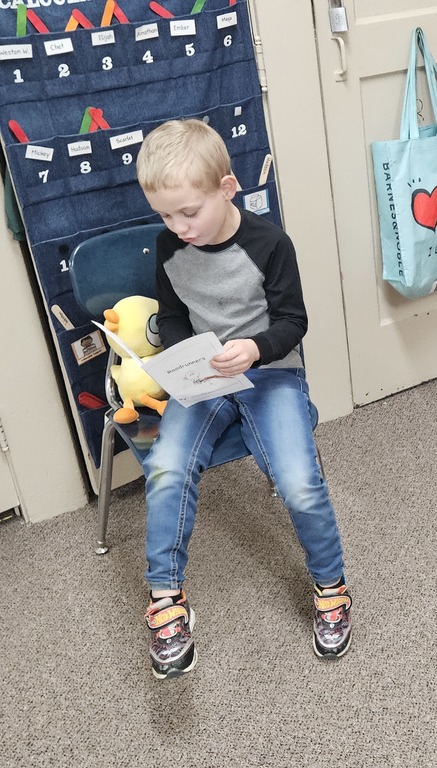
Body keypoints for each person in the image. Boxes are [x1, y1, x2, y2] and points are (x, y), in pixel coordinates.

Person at [134, 119, 351, 679]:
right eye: (165, 215)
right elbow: (176, 316)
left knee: (299, 481)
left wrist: (254, 349)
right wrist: (187, 358)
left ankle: (331, 583)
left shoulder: (270, 244)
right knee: (165, 470)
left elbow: (293, 322)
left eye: (189, 212)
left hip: (271, 371)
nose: (178, 227)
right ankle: (165, 600)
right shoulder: (168, 247)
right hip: (203, 379)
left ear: (227, 188)